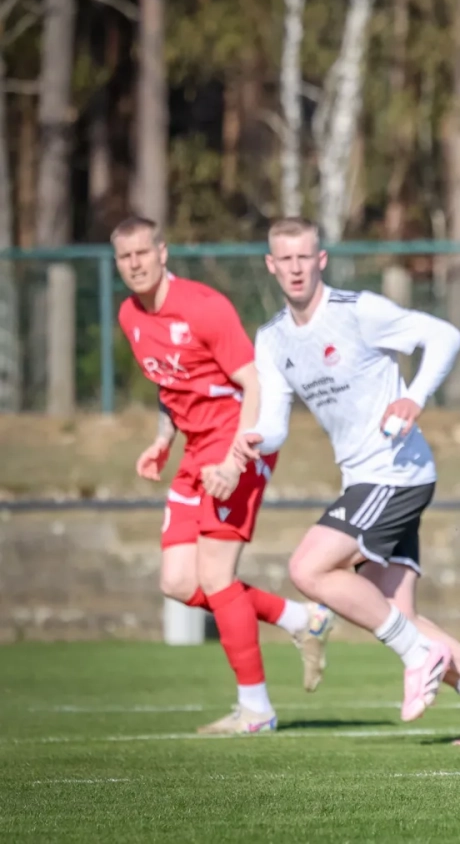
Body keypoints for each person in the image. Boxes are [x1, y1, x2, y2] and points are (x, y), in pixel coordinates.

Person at [230, 217, 460, 745]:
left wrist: (414, 397)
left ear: (320, 260)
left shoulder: (357, 311)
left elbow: (444, 336)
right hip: (368, 479)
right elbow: (275, 421)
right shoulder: (273, 339)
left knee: (308, 568)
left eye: (305, 257)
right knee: (398, 615)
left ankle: (419, 655)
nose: (296, 268)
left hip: (394, 474)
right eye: (286, 259)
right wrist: (256, 437)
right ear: (271, 265)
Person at [113, 216, 334, 735]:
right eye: (125, 257)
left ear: (163, 252)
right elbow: (171, 385)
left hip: (237, 441)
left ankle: (256, 710)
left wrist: (235, 461)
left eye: (143, 252)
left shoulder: (204, 307)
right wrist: (163, 441)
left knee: (215, 577)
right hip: (194, 449)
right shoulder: (130, 315)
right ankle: (301, 619)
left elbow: (253, 384)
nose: (135, 264)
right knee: (178, 582)